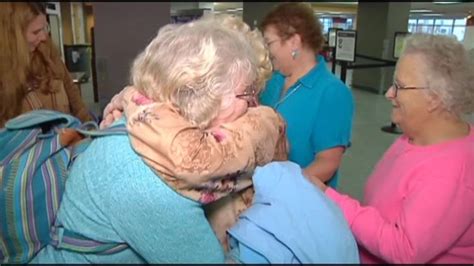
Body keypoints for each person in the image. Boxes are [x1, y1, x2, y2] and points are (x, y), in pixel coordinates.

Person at [30, 15, 286, 263]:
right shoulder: (151, 180)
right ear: (208, 97)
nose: (252, 106)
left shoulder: (144, 122)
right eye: (247, 93)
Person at [311, 33, 474, 263]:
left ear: (435, 98)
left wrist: (332, 200)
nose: (389, 93)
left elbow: (404, 249)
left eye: (399, 86)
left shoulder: (451, 172)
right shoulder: (414, 136)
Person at [259, 2, 354, 188]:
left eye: (269, 43)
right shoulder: (274, 81)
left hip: (300, 199)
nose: (267, 52)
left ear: (294, 42)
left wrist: (283, 188)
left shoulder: (332, 93)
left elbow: (327, 163)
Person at [0, 2, 92, 127]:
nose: (44, 37)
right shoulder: (4, 75)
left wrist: (90, 130)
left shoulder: (49, 54)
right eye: (36, 32)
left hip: (72, 141)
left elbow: (75, 100)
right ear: (14, 36)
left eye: (45, 28)